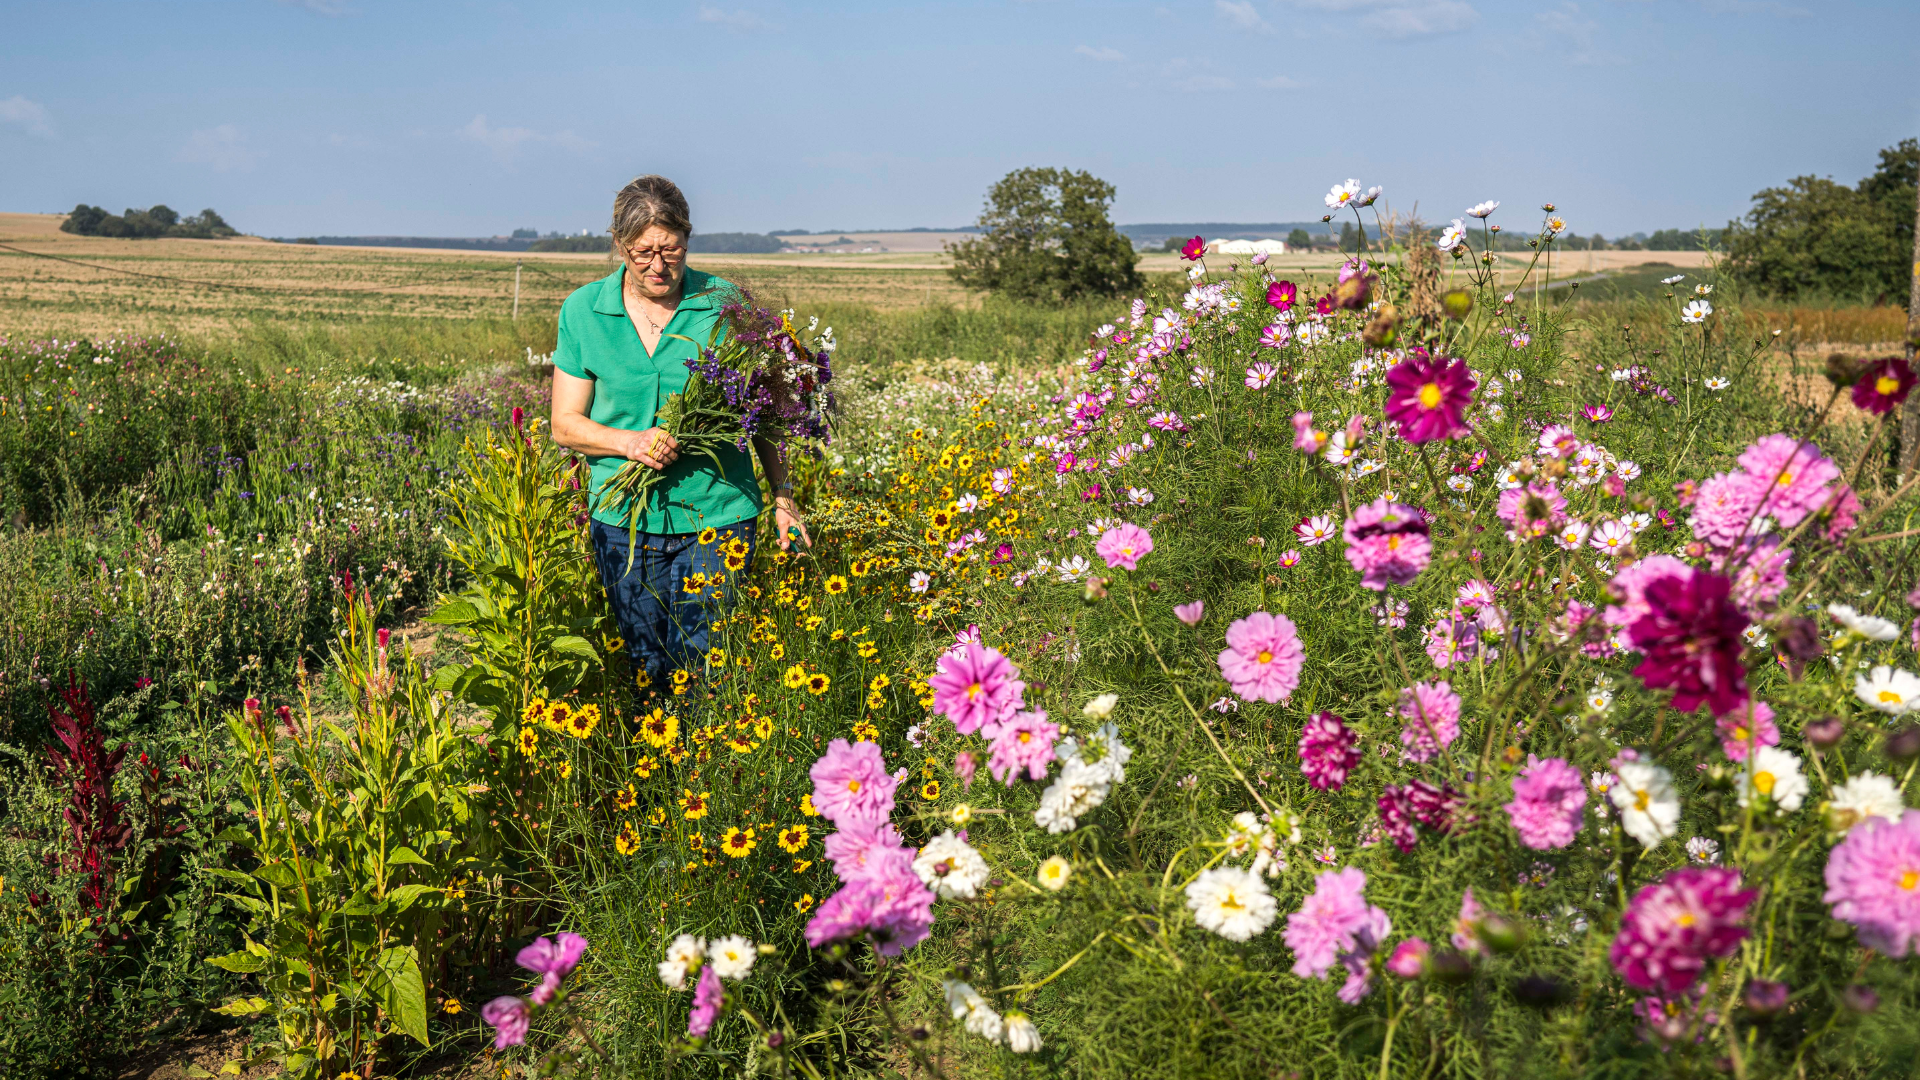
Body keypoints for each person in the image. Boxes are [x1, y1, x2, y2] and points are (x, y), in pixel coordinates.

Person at [549, 174, 810, 701]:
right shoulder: (583, 311)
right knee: (644, 667)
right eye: (642, 252)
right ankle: (656, 756)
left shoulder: (725, 303)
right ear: (619, 246)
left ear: (688, 239)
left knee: (704, 670)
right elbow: (565, 423)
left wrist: (783, 495)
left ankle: (704, 752)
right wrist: (630, 443)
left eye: (671, 250)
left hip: (717, 515)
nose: (658, 265)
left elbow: (763, 413)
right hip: (622, 521)